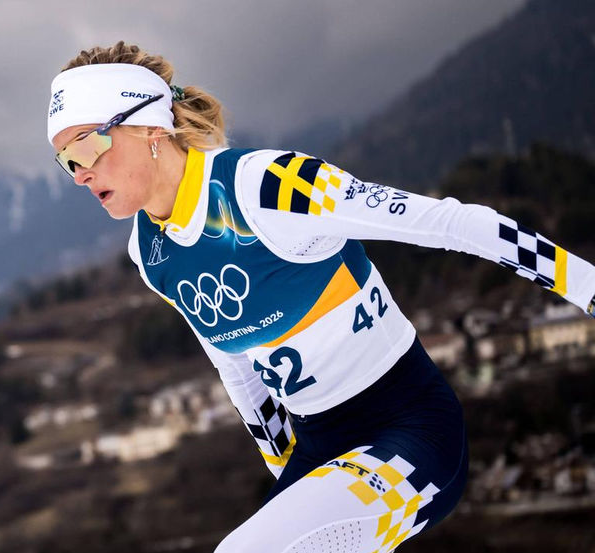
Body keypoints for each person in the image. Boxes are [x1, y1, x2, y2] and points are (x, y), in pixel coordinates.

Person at [46, 42, 595, 553]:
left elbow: (453, 224)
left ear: (150, 125)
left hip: (412, 433)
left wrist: (588, 289)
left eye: (87, 143)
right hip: (317, 449)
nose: (79, 173)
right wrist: (291, 481)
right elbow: (236, 369)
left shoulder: (266, 187)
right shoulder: (150, 252)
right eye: (65, 159)